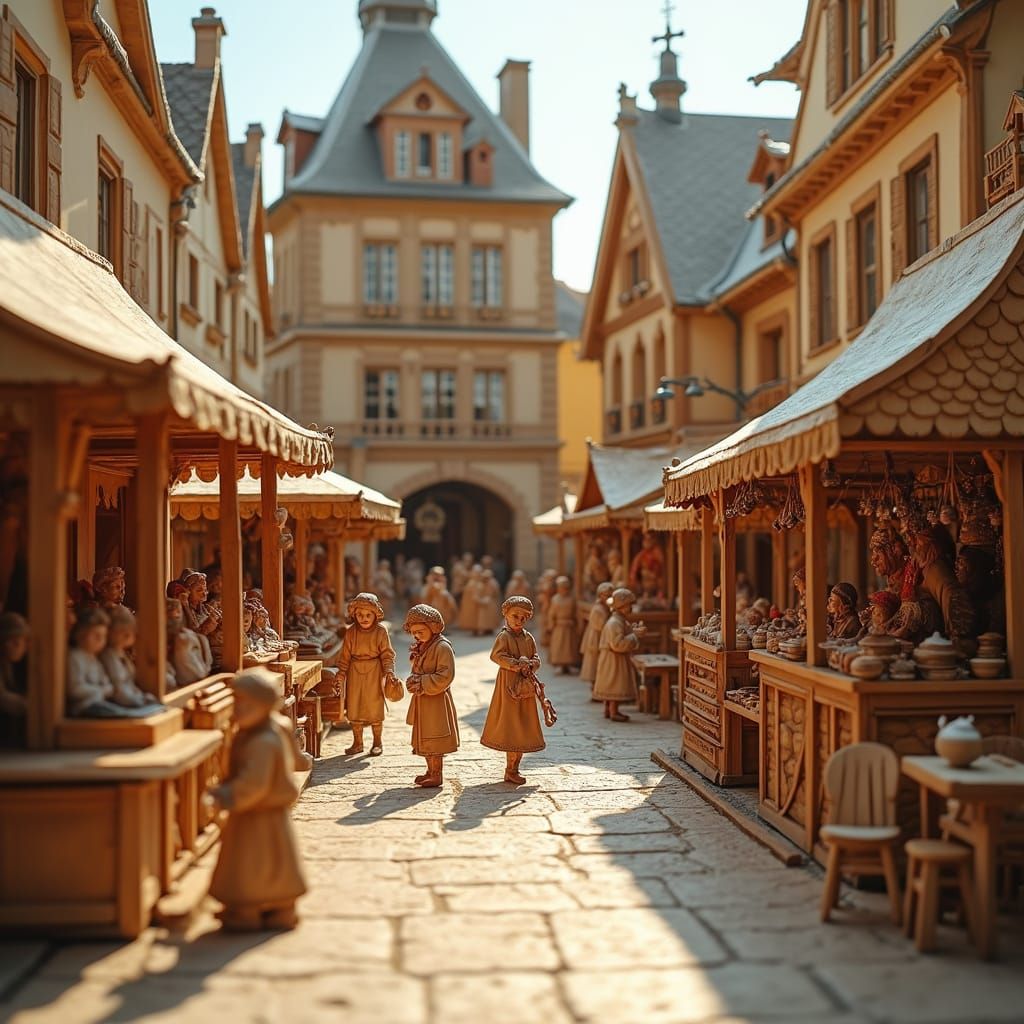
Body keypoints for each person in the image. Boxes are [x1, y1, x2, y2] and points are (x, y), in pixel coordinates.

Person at [207, 668, 307, 931]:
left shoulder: (262, 741)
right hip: (269, 813)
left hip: (257, 811)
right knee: (275, 861)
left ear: (263, 706)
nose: (238, 710)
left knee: (251, 862)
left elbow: (254, 784)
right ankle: (281, 907)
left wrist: (226, 795)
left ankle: (247, 909)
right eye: (236, 703)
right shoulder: (266, 730)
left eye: (246, 704)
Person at [481, 596, 545, 784]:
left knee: (523, 725)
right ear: (506, 615)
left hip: (525, 686)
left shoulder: (528, 637)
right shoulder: (504, 636)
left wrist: (532, 664)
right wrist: (515, 664)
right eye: (515, 616)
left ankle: (515, 767)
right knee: (512, 725)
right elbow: (496, 656)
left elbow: (536, 657)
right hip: (508, 684)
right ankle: (510, 769)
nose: (519, 620)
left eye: (524, 617)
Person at [404, 604, 459, 788]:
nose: (417, 636)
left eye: (420, 631)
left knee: (435, 738)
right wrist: (413, 679)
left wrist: (422, 682)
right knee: (425, 737)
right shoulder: (424, 646)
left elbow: (446, 675)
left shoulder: (442, 647)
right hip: (423, 700)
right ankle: (429, 771)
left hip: (436, 702)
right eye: (414, 633)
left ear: (433, 627)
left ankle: (437, 774)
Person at [338, 593, 398, 758]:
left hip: (374, 671)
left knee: (374, 707)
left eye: (368, 615)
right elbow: (345, 656)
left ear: (375, 615)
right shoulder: (351, 632)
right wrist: (341, 674)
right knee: (354, 706)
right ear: (354, 615)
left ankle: (377, 742)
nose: (363, 618)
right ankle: (357, 743)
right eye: (360, 615)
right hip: (355, 672)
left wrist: (389, 672)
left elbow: (387, 654)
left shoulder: (380, 631)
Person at [593, 588, 646, 722]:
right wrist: (634, 636)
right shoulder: (614, 623)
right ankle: (613, 711)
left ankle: (608, 709)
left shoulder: (619, 621)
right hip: (613, 659)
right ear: (621, 606)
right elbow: (617, 644)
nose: (631, 608)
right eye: (629, 605)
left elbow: (623, 634)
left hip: (613, 658)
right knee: (614, 683)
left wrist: (632, 630)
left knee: (612, 682)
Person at [580, 581, 614, 684]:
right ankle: (595, 685)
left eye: (610, 596)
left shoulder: (605, 608)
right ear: (600, 595)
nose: (608, 598)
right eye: (606, 595)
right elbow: (601, 626)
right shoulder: (598, 609)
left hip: (602, 635)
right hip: (596, 637)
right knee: (594, 661)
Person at [546, 575, 580, 674]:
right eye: (562, 587)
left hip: (569, 627)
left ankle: (568, 665)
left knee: (569, 646)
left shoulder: (572, 599)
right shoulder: (555, 599)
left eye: (565, 587)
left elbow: (576, 613)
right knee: (559, 645)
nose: (564, 589)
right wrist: (550, 625)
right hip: (559, 626)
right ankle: (560, 665)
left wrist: (577, 624)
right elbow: (551, 613)